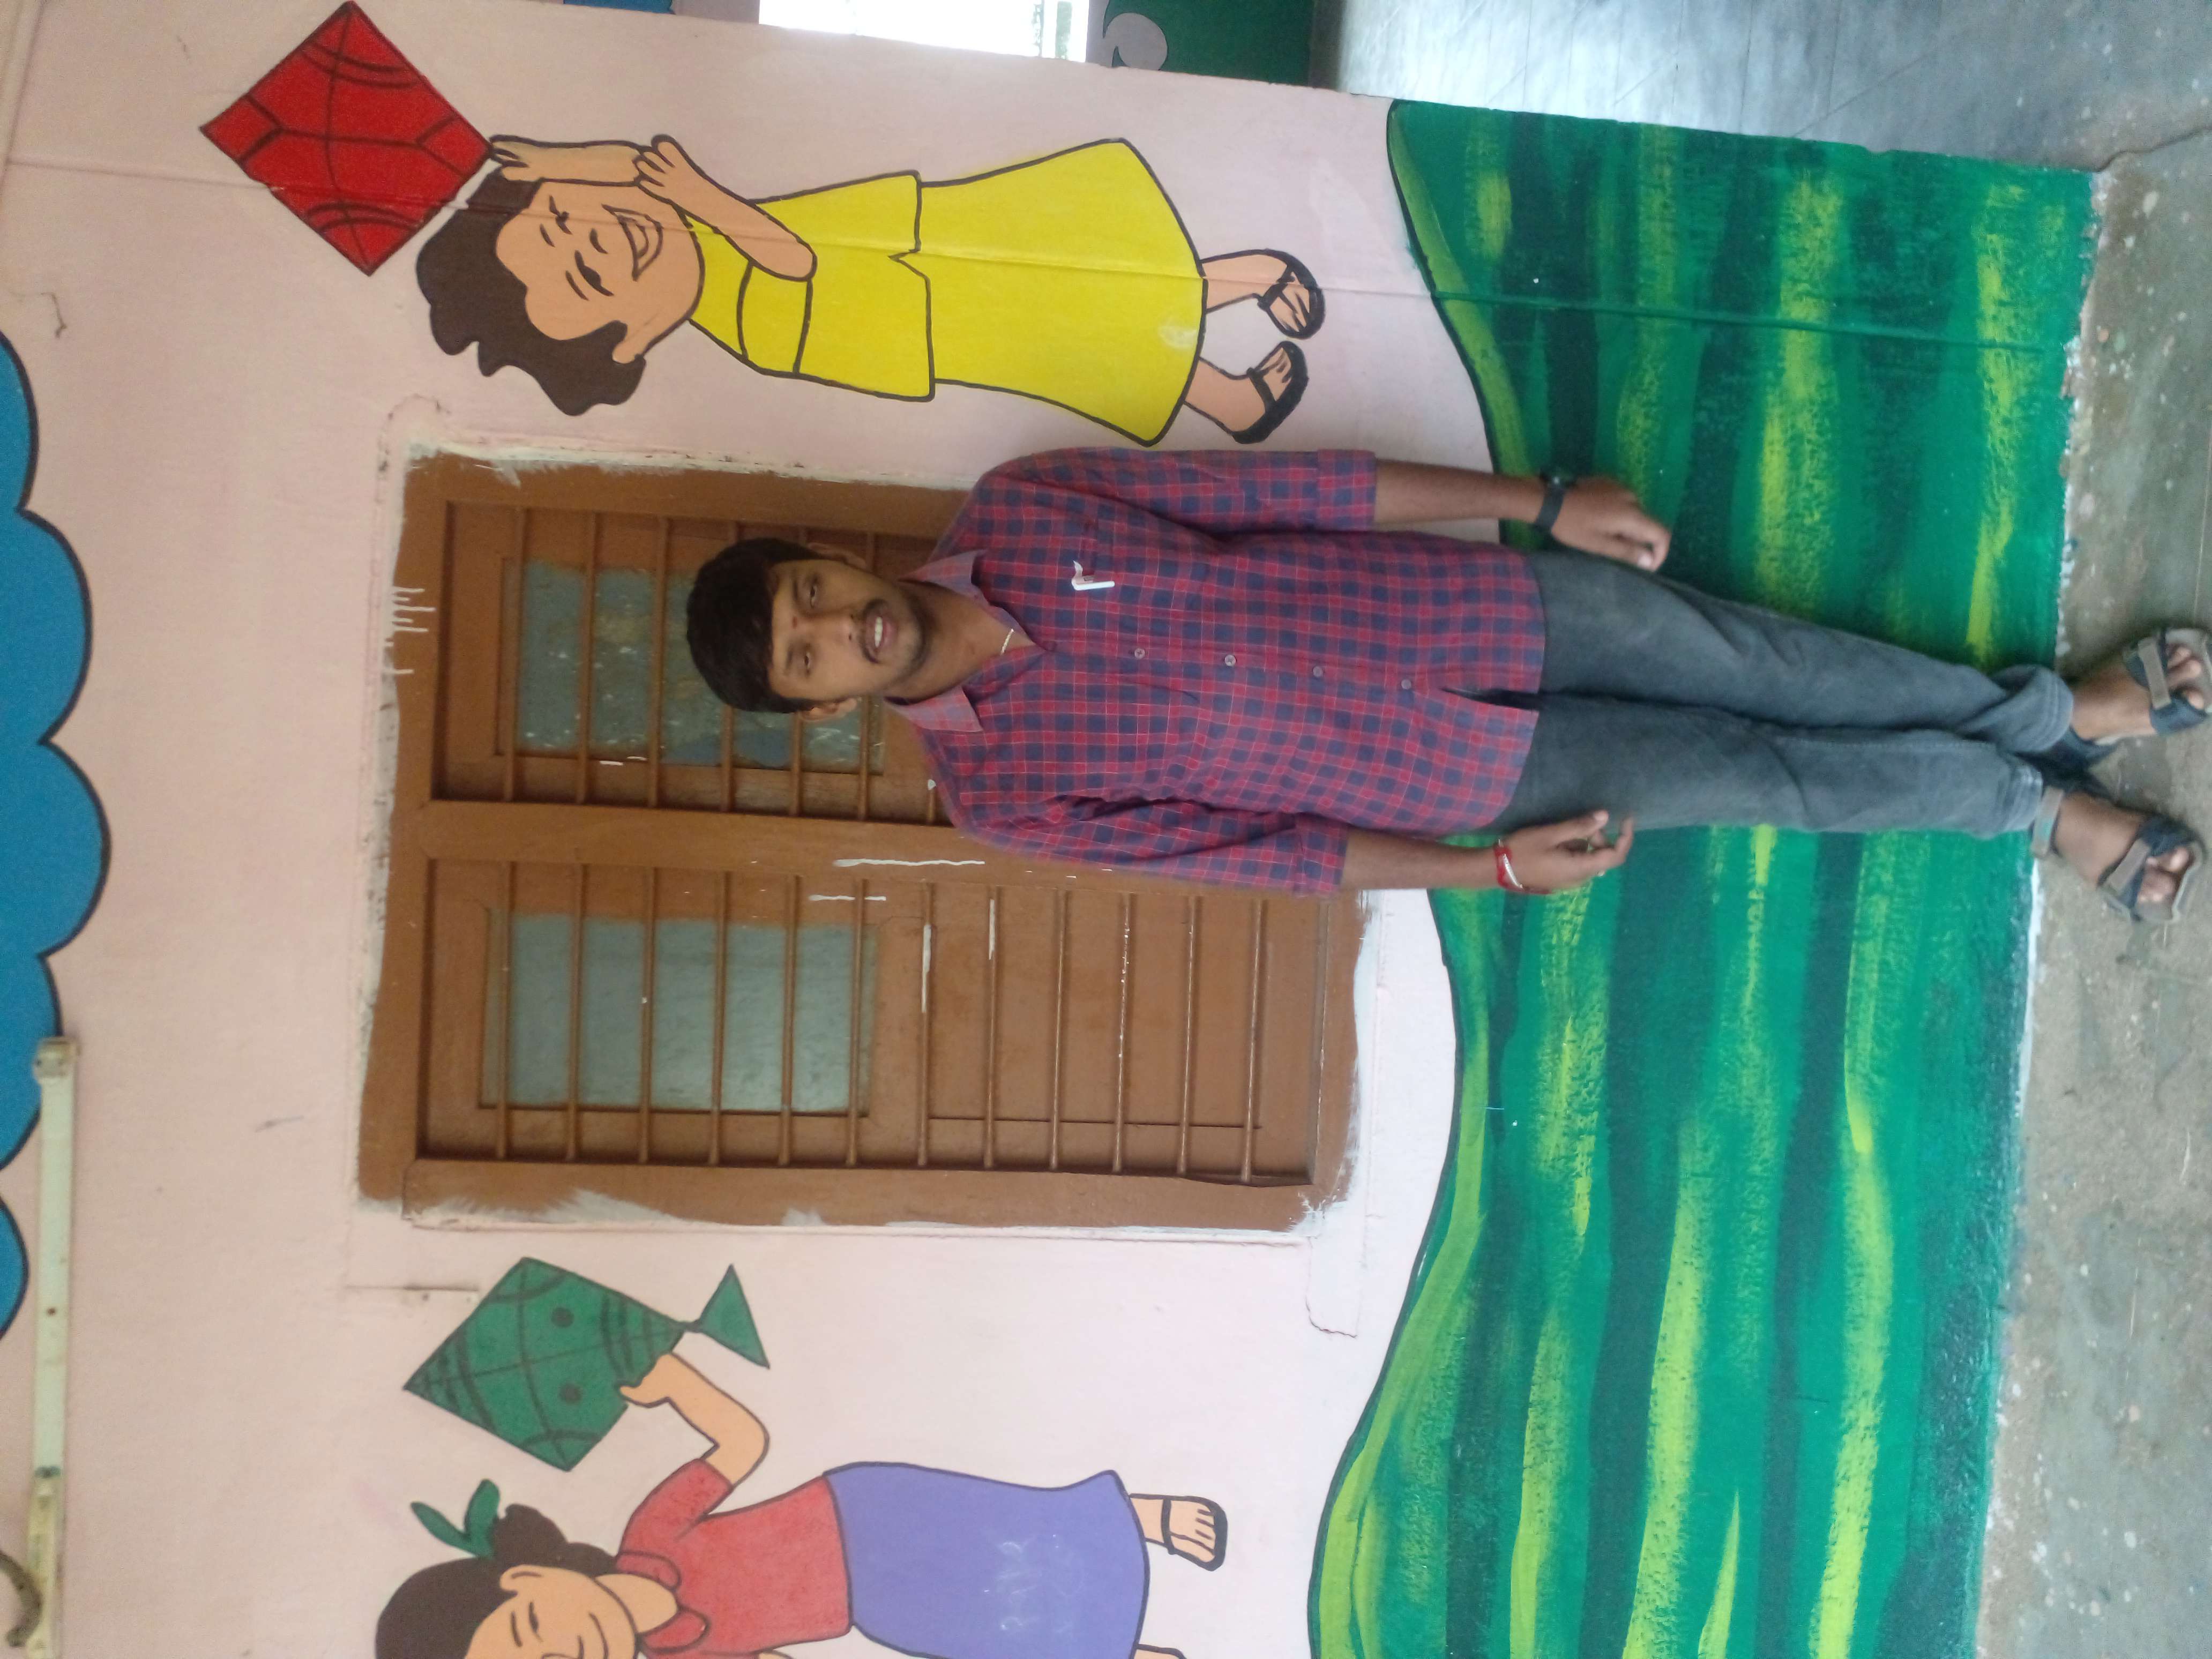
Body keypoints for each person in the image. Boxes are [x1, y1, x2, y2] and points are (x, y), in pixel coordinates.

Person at [683, 448, 2207, 923]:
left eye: (809, 593)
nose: (834, 628)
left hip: (1487, 605)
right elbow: (1259, 857)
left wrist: (1537, 505)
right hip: (1468, 784)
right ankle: (2032, 814)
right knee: (1766, 777)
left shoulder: (1019, 506)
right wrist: (1488, 870)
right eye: (805, 658)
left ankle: (2060, 719)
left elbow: (1286, 491)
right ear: (817, 710)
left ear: (827, 558)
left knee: (1772, 664)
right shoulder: (995, 794)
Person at [416, 134, 1320, 443]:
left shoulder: (686, 233)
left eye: (566, 214)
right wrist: (699, 193)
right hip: (930, 315)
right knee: (1084, 320)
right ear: (630, 341)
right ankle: (1228, 385)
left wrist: (563, 159)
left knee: (1085, 254)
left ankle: (1233, 308)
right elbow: (793, 260)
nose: (600, 238)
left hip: (925, 248)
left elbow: (636, 168)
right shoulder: (744, 320)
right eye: (587, 274)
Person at [377, 1351, 1227, 1659]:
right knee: (983, 1631)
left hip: (866, 1516)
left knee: (1010, 1534)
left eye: (531, 1628)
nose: (563, 1649)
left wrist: (678, 1384)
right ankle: (1121, 1652)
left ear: (529, 1576)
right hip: (872, 1608)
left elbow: (740, 1445)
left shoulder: (652, 1534)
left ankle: (1143, 1518)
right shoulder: (683, 1657)